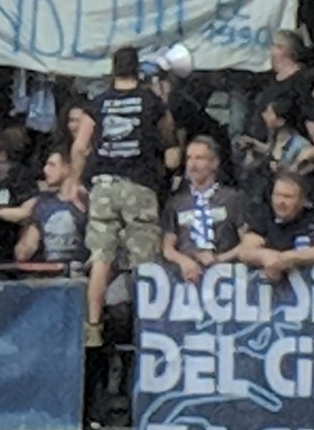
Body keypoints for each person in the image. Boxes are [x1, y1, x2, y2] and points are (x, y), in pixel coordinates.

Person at [70, 45, 177, 344]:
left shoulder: (98, 103)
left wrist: (75, 181)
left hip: (103, 186)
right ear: (137, 69)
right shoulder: (151, 101)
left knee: (101, 257)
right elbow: (169, 141)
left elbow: (79, 146)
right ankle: (147, 328)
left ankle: (93, 327)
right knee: (144, 259)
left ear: (113, 70)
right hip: (138, 185)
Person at [159, 136, 247, 284]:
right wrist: (184, 261)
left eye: (199, 158)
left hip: (227, 276)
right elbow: (168, 248)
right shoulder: (176, 201)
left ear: (214, 163)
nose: (193, 165)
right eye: (189, 158)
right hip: (185, 279)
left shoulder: (234, 198)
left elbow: (247, 243)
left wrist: (219, 259)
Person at [237, 171, 314, 281]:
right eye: (277, 195)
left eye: (288, 197)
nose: (281, 201)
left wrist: (292, 257)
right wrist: (265, 256)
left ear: (302, 200)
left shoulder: (310, 217)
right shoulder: (262, 215)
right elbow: (245, 251)